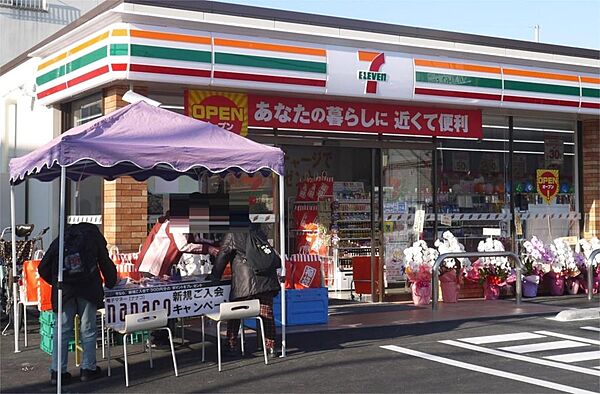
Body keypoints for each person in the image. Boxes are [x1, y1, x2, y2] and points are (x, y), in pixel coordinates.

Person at [39, 223, 117, 385]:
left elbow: (43, 267)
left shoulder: (61, 239)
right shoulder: (94, 237)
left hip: (64, 291)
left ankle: (57, 372)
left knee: (62, 331)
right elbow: (105, 262)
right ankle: (88, 369)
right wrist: (111, 282)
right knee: (88, 329)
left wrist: (57, 282)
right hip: (88, 289)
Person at [210, 225, 280, 358]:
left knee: (234, 313)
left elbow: (223, 255)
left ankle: (231, 345)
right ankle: (270, 347)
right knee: (266, 314)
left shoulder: (232, 232)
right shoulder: (258, 230)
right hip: (267, 281)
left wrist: (214, 276)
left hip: (245, 284)